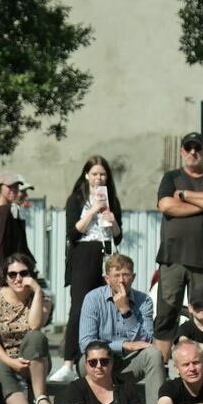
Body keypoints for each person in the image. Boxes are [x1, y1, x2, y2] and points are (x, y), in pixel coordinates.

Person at [154, 132, 203, 363]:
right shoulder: (171, 177)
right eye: (188, 148)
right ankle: (160, 370)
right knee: (166, 316)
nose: (192, 152)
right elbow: (166, 206)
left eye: (198, 148)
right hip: (172, 258)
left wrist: (184, 196)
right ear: (181, 151)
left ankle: (200, 370)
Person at [52, 156, 124, 381]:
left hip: (105, 253)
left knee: (106, 307)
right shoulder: (76, 200)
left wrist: (112, 221)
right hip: (83, 254)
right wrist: (93, 210)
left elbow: (118, 237)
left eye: (102, 174)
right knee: (79, 308)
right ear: (86, 175)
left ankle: (100, 360)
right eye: (94, 174)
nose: (98, 178)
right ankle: (68, 363)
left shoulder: (112, 199)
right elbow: (73, 233)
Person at [76, 253, 162, 404]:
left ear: (133, 277)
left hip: (131, 364)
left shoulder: (144, 301)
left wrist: (126, 311)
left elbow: (146, 341)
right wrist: (124, 345)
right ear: (107, 278)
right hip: (102, 363)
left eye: (126, 275)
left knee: (154, 354)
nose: (121, 280)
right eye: (116, 275)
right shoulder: (93, 299)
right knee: (84, 361)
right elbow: (86, 343)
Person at [0, 252, 51, 404]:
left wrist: (37, 291)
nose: (18, 278)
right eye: (12, 274)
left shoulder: (43, 299)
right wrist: (12, 362)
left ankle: (40, 398)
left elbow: (35, 326)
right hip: (7, 359)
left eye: (23, 273)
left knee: (35, 336)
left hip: (36, 361)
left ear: (30, 275)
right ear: (5, 277)